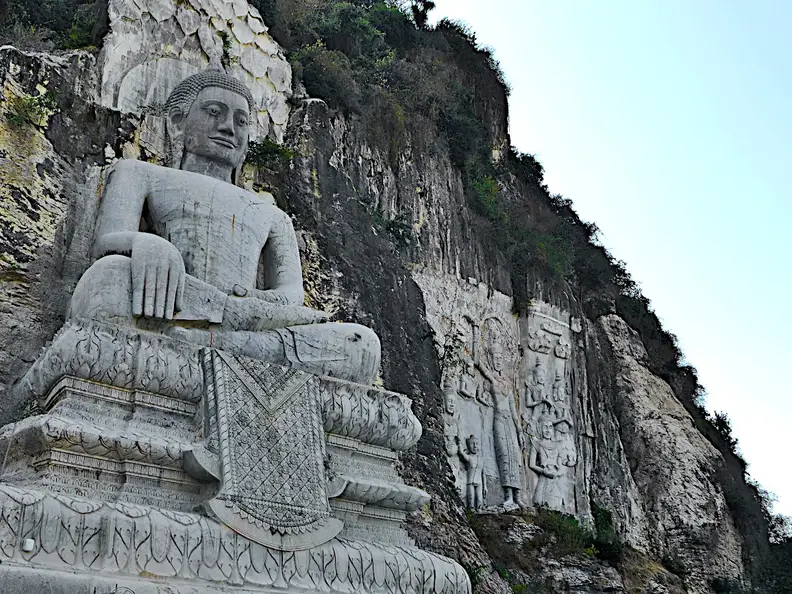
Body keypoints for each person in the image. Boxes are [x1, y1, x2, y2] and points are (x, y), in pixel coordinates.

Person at [68, 67, 380, 384]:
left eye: (241, 121)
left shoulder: (272, 214)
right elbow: (105, 243)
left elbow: (290, 295)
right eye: (214, 112)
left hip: (247, 317)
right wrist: (145, 244)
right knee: (108, 280)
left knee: (361, 344)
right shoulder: (139, 173)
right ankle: (215, 347)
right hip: (177, 303)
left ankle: (197, 346)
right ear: (179, 120)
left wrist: (250, 305)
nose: (228, 127)